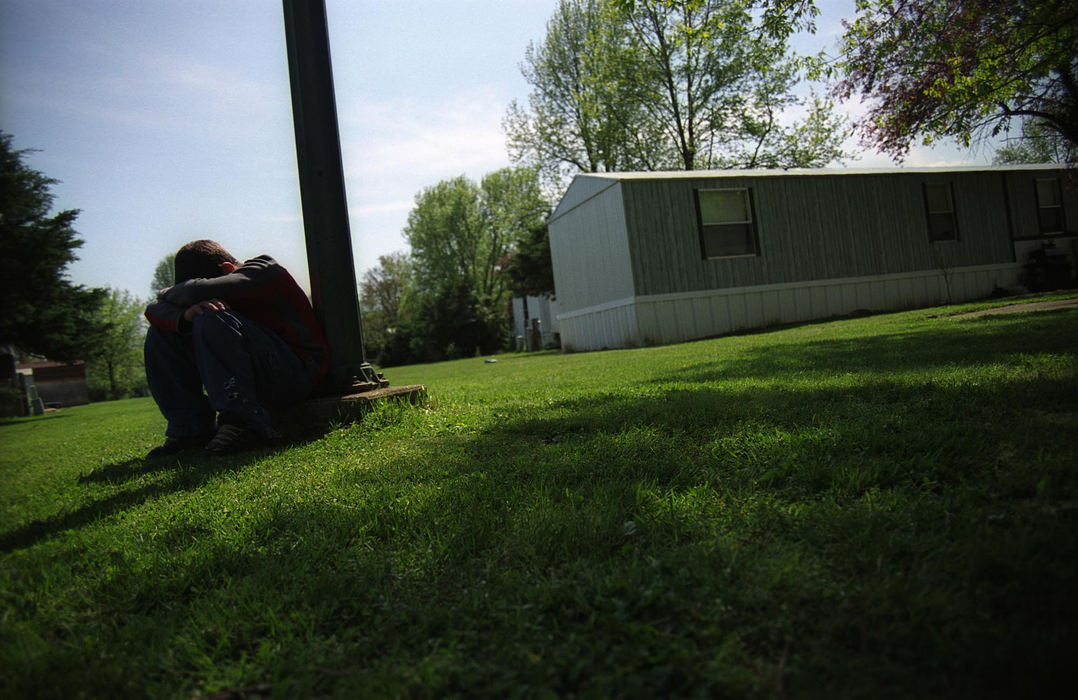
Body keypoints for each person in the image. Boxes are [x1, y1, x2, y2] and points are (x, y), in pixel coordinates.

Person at [143, 240, 328, 456]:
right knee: (160, 333)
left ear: (228, 270)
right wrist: (183, 315)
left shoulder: (264, 271)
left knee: (210, 317)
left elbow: (195, 291)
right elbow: (154, 311)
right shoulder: (223, 283)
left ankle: (243, 423)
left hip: (298, 373)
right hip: (262, 373)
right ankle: (191, 431)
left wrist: (171, 295)